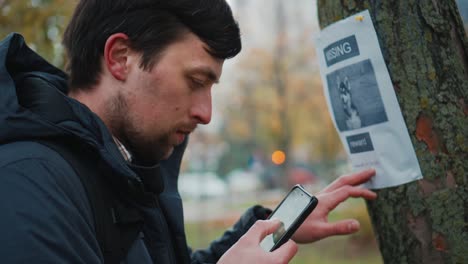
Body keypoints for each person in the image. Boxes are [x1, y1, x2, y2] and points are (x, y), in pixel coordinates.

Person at [0, 0, 377, 263]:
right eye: (196, 81)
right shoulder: (28, 183)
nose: (206, 113)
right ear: (121, 58)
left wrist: (273, 228)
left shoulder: (122, 165)